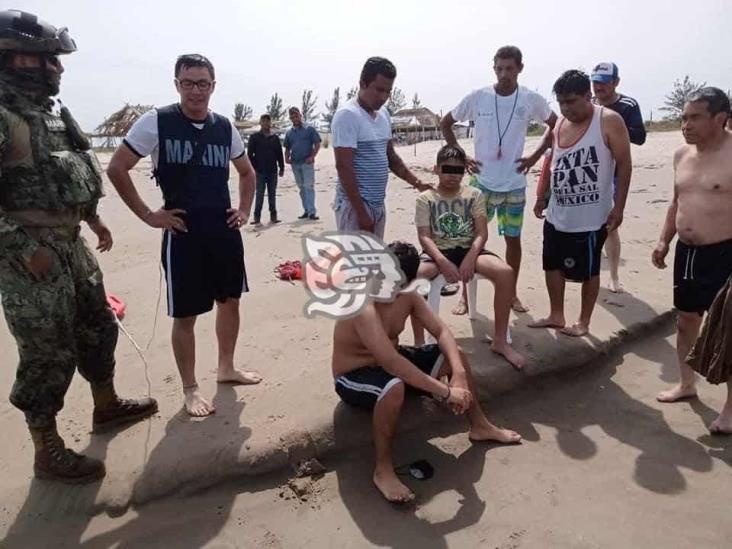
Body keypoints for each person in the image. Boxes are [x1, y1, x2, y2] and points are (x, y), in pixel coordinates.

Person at [0, 10, 157, 483]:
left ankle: (105, 405)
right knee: (47, 350)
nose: (59, 70)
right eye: (50, 61)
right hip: (29, 255)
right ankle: (46, 448)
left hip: (72, 243)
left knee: (97, 325)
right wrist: (24, 248)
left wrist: (94, 218)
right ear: (18, 58)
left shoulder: (50, 115)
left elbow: (67, 175)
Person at [107, 54, 259, 417]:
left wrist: (244, 210)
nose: (196, 90)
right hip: (183, 232)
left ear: (213, 86)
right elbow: (117, 168)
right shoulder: (156, 122)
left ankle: (226, 367)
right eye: (188, 82)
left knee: (231, 302)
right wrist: (148, 215)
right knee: (186, 315)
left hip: (224, 231)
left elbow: (247, 173)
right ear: (176, 84)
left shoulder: (225, 127)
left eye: (203, 83)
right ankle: (190, 388)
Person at [332, 241, 521, 504]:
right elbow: (389, 362)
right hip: (354, 375)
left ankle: (479, 425)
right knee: (393, 386)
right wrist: (445, 391)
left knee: (454, 356)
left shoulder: (408, 295)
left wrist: (458, 375)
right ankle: (383, 469)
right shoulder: (362, 304)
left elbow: (441, 331)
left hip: (393, 363)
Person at [441, 45, 557, 314]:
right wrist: (460, 155)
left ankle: (511, 294)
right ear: (494, 69)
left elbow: (555, 125)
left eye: (510, 68)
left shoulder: (530, 99)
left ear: (520, 68)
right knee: (468, 239)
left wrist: (534, 156)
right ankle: (466, 297)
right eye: (499, 68)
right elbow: (446, 123)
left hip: (514, 184)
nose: (504, 74)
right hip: (481, 184)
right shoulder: (478, 97)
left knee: (513, 240)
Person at [651, 88, 732, 431]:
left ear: (720, 118)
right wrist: (663, 240)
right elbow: (675, 201)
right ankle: (686, 384)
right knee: (686, 320)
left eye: (695, 117)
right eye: (684, 117)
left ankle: (730, 408)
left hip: (725, 251)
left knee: (728, 329)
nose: (686, 124)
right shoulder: (681, 154)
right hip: (687, 252)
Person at [530, 70, 631, 337]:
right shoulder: (560, 123)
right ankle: (556, 314)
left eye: (572, 101)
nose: (566, 108)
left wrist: (618, 207)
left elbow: (624, 164)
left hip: (591, 217)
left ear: (588, 96)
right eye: (561, 102)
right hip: (557, 212)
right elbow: (552, 162)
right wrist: (543, 196)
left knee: (589, 270)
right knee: (551, 265)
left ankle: (584, 321)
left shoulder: (608, 121)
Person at [411, 145, 526, 370]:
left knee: (505, 273)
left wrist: (471, 257)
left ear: (465, 171)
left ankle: (500, 340)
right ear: (436, 169)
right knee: (417, 278)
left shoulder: (474, 195)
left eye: (458, 170)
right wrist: (443, 262)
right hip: (438, 251)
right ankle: (419, 345)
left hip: (468, 248)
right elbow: (424, 237)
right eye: (447, 169)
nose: (452, 175)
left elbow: (482, 233)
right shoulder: (425, 199)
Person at [331, 56, 431, 239]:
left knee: (374, 260)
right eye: (378, 90)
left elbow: (390, 156)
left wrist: (417, 182)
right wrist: (361, 213)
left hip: (377, 204)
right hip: (354, 205)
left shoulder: (384, 115)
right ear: (362, 83)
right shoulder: (348, 115)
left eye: (388, 91)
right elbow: (344, 167)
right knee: (356, 264)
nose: (384, 97)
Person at [591, 62, 647, 293]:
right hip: (590, 171)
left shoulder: (628, 105)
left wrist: (615, 126)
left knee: (611, 225)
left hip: (614, 173)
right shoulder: (589, 103)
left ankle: (613, 276)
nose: (598, 86)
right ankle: (588, 270)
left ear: (616, 82)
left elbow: (640, 136)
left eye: (604, 81)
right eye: (595, 81)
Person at [284, 106, 321, 220]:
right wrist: (286, 157)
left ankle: (312, 212)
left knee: (309, 186)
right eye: (292, 116)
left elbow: (317, 143)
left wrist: (312, 156)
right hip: (295, 163)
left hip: (307, 162)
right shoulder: (289, 133)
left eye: (296, 115)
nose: (294, 117)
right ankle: (306, 210)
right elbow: (287, 147)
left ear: (300, 115)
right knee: (301, 188)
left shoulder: (309, 129)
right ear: (290, 118)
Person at [247, 113, 284, 225]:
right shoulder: (254, 137)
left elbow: (279, 154)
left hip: (272, 171)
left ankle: (273, 216)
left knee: (272, 195)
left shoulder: (275, 138)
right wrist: (254, 168)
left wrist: (281, 167)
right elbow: (249, 155)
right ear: (260, 123)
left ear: (270, 123)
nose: (265, 123)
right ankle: (256, 217)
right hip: (260, 172)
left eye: (267, 121)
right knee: (259, 195)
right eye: (263, 121)